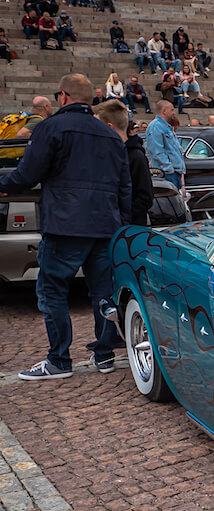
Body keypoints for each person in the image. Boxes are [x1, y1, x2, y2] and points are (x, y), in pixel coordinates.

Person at [0, 74, 130, 380]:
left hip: (65, 224)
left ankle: (59, 360)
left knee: (52, 292)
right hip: (104, 224)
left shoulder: (51, 127)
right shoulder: (110, 134)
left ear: (63, 97)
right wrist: (121, 225)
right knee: (103, 293)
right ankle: (104, 354)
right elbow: (125, 187)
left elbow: (26, 175)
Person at [95, 100, 153, 227]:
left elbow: (145, 198)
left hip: (127, 232)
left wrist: (120, 219)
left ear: (109, 127)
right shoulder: (106, 154)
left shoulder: (135, 156)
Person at [145, 99, 186, 191]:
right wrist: (169, 168)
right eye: (171, 110)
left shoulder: (167, 127)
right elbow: (157, 151)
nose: (174, 112)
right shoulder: (155, 127)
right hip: (166, 174)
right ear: (164, 111)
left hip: (174, 173)